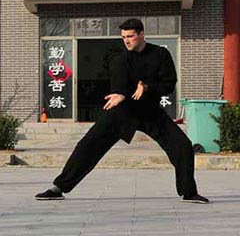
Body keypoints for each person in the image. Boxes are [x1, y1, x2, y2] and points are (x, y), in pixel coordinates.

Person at [35, 18, 209, 204]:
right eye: (124, 37)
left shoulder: (160, 54)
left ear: (141, 34)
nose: (127, 40)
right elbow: (119, 83)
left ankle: (189, 192)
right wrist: (122, 95)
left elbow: (168, 84)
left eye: (131, 36)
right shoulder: (120, 57)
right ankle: (58, 187)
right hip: (122, 111)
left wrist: (147, 87)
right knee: (88, 145)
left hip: (150, 111)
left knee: (182, 145)